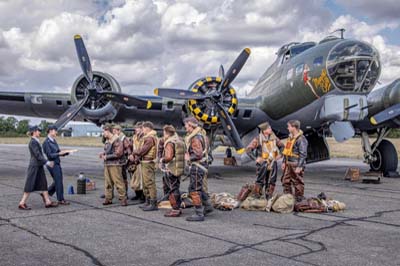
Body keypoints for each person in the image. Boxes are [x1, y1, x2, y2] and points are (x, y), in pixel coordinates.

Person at [18, 125, 58, 210]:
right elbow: (38, 155)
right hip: (34, 166)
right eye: (38, 131)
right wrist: (47, 162)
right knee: (29, 184)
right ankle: (22, 203)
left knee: (43, 183)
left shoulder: (36, 141)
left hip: (39, 166)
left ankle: (47, 202)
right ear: (34, 132)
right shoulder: (33, 142)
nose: (40, 132)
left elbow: (39, 155)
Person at [184, 117, 213, 222]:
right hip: (202, 166)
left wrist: (189, 158)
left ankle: (199, 213)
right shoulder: (203, 135)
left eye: (186, 125)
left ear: (191, 126)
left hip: (197, 165)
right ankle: (208, 206)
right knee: (199, 188)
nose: (185, 127)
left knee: (194, 190)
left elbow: (198, 154)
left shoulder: (195, 138)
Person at [246, 122, 283, 200]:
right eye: (269, 128)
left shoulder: (274, 138)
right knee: (260, 180)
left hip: (273, 162)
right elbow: (248, 149)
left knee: (272, 180)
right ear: (264, 130)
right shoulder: (258, 139)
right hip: (263, 163)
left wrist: (280, 155)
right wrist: (256, 158)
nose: (271, 129)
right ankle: (257, 195)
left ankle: (269, 195)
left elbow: (282, 146)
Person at [131, 121, 158, 211]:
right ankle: (148, 201)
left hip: (148, 162)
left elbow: (142, 151)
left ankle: (153, 202)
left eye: (143, 128)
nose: (142, 130)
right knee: (146, 183)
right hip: (145, 162)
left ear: (147, 128)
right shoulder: (148, 137)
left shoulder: (149, 138)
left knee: (149, 183)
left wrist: (134, 152)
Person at [159, 125, 185, 217]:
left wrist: (162, 160)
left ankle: (175, 209)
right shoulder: (179, 140)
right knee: (176, 188)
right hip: (178, 167)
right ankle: (178, 207)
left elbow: (169, 157)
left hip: (171, 168)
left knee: (172, 190)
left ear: (166, 133)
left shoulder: (170, 142)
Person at [100, 124, 127, 206]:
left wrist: (106, 157)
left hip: (115, 165)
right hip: (108, 164)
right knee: (108, 183)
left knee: (118, 182)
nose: (103, 133)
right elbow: (109, 151)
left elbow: (118, 153)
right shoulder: (108, 140)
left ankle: (123, 199)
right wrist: (104, 153)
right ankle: (108, 198)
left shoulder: (116, 140)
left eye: (104, 131)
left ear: (108, 131)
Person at [281, 120, 308, 202]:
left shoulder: (301, 139)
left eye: (289, 126)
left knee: (297, 181)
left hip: (296, 163)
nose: (287, 128)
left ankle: (299, 198)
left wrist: (299, 166)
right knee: (285, 181)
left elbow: (303, 154)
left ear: (294, 127)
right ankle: (288, 198)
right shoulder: (290, 138)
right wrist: (283, 162)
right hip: (288, 163)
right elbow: (286, 151)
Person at [42, 125, 70, 205]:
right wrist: (59, 153)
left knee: (58, 181)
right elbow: (50, 155)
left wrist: (64, 153)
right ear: (50, 131)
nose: (56, 132)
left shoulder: (53, 140)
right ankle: (61, 199)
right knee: (58, 181)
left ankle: (45, 194)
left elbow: (57, 151)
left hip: (56, 163)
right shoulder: (46, 142)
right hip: (52, 164)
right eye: (55, 130)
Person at [112, 124, 132, 199]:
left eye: (115, 130)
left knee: (123, 178)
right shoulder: (115, 138)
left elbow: (128, 147)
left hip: (122, 160)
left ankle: (125, 194)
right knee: (117, 177)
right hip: (116, 160)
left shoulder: (123, 138)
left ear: (119, 131)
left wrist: (129, 155)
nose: (113, 132)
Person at [128, 122, 145, 203]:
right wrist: (130, 154)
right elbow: (130, 147)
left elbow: (142, 150)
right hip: (134, 160)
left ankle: (143, 196)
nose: (135, 129)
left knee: (142, 179)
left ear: (142, 129)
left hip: (140, 161)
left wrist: (136, 159)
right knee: (134, 178)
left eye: (137, 128)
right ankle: (137, 194)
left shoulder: (144, 137)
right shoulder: (134, 137)